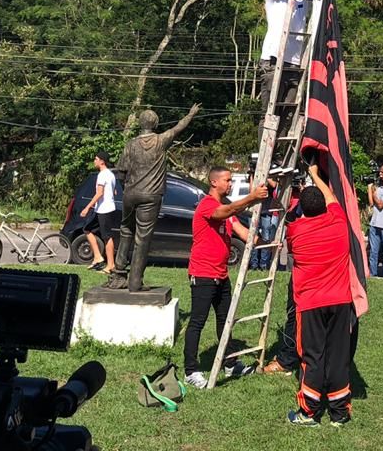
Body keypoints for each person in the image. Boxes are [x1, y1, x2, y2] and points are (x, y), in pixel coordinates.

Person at [182, 167, 269, 389]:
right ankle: (190, 371)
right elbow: (226, 211)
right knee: (198, 322)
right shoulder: (207, 206)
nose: (230, 184)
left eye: (231, 180)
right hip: (202, 274)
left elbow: (243, 231)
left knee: (226, 320)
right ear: (214, 183)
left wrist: (268, 244)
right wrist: (251, 197)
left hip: (221, 274)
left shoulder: (227, 213)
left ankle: (230, 363)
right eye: (227, 180)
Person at [285, 162, 356, 427]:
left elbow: (291, 243)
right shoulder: (339, 222)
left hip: (311, 303)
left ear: (302, 209)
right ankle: (339, 413)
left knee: (312, 356)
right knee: (338, 355)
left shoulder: (296, 232)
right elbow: (332, 198)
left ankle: (310, 412)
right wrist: (316, 173)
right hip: (340, 301)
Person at [108, 105, 200, 292]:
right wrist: (190, 114)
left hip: (130, 194)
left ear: (140, 124)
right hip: (151, 195)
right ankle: (135, 281)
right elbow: (178, 128)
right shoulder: (160, 141)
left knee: (126, 230)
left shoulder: (131, 144)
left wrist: (128, 187)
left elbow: (121, 172)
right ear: (156, 124)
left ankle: (118, 274)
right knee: (143, 238)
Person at [259, 0, 324, 114]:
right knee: (270, 115)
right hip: (273, 62)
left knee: (287, 115)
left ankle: (281, 143)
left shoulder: (305, 0)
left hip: (294, 65)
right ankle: (265, 143)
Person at [79, 151, 118, 272]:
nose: (94, 161)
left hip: (105, 210)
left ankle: (111, 265)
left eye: (96, 159)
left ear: (102, 161)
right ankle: (97, 257)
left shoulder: (102, 175)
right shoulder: (111, 175)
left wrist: (87, 207)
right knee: (87, 229)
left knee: (107, 237)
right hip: (101, 209)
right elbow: (115, 192)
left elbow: (100, 193)